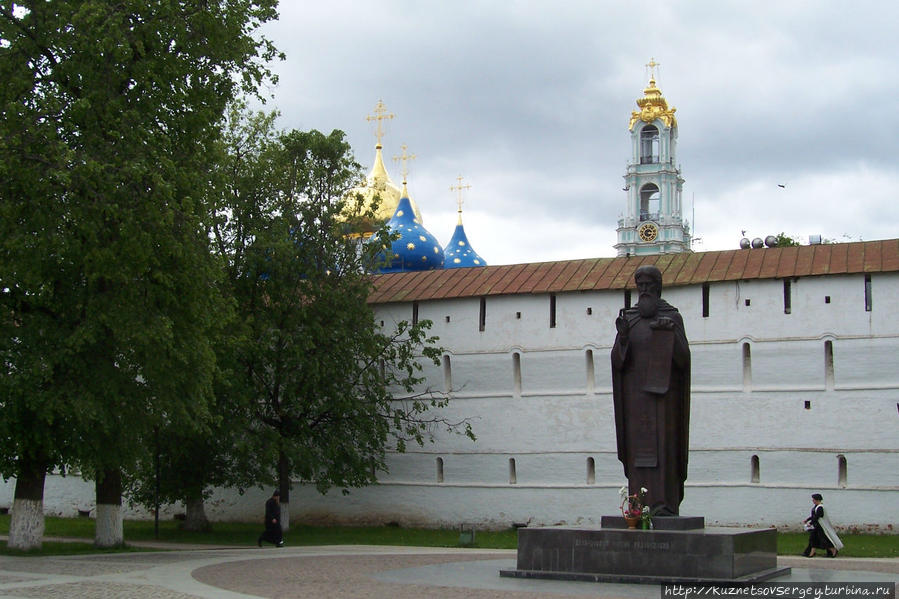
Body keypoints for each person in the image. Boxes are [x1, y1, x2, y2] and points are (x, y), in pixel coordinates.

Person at [611, 265, 691, 516]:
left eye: (649, 286)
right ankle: (638, 507)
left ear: (658, 287)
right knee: (639, 453)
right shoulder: (630, 320)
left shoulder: (672, 317)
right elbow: (617, 362)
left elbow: (683, 360)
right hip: (636, 400)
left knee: (663, 450)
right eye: (640, 285)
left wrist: (669, 333)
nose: (644, 290)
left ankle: (665, 505)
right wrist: (623, 339)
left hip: (664, 401)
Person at [803, 493, 842, 557]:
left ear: (817, 500)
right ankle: (811, 553)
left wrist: (810, 523)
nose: (813, 501)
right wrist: (808, 519)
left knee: (823, 540)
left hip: (820, 527)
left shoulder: (820, 507)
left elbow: (817, 516)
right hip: (816, 526)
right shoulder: (817, 507)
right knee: (813, 539)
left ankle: (833, 550)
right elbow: (814, 515)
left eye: (813, 499)